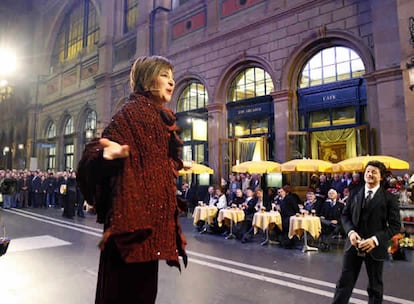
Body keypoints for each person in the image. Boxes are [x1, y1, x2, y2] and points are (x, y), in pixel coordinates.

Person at [76, 55, 187, 304]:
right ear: (148, 80)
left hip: (149, 230)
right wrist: (106, 155)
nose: (171, 81)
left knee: (143, 295)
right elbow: (91, 156)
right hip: (129, 232)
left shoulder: (160, 118)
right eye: (164, 75)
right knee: (124, 296)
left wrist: (174, 163)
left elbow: (150, 163)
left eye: (172, 76)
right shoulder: (131, 113)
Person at [332, 161, 401, 304]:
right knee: (344, 283)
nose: (369, 174)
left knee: (375, 286)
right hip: (353, 245)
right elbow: (345, 216)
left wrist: (375, 240)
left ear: (381, 177)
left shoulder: (389, 199)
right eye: (368, 171)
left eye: (374, 172)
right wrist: (350, 232)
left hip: (374, 247)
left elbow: (395, 226)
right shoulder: (354, 192)